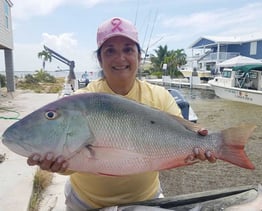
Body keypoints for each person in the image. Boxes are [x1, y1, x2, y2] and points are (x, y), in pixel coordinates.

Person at [27, 17, 216, 210]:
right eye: (110, 51)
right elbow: (76, 159)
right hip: (86, 204)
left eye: (128, 49)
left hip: (147, 200)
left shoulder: (160, 97)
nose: (120, 58)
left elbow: (181, 136)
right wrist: (58, 167)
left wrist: (198, 145)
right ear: (100, 60)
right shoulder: (81, 101)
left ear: (139, 57)